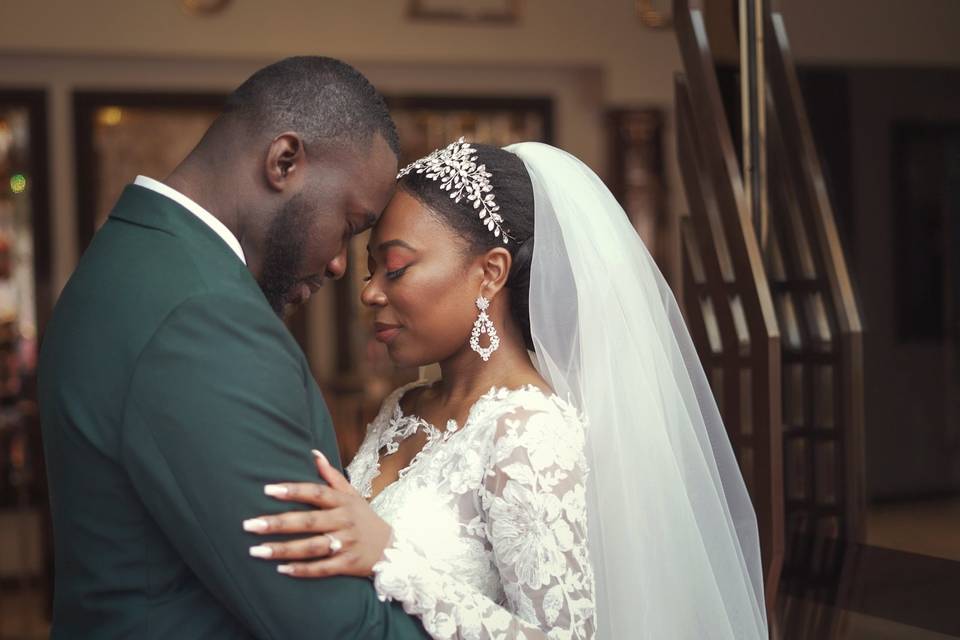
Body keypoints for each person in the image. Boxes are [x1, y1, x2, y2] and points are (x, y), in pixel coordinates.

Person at [244, 139, 770, 639]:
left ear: (490, 273)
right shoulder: (402, 406)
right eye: (370, 269)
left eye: (397, 268)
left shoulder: (531, 433)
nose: (370, 292)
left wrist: (390, 558)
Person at [38, 56, 426, 639]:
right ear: (285, 161)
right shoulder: (204, 318)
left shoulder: (128, 258)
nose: (342, 263)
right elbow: (327, 627)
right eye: (348, 226)